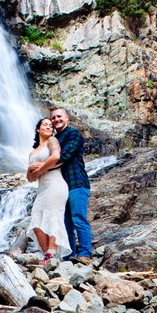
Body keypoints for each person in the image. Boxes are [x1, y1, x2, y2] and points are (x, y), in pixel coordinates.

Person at [51, 105, 92, 261]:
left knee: (78, 218)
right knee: (66, 223)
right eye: (53, 117)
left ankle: (84, 254)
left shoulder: (74, 134)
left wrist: (42, 167)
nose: (56, 119)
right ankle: (69, 255)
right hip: (61, 186)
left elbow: (64, 156)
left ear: (66, 117)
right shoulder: (54, 139)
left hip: (77, 183)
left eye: (59, 116)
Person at [27, 115, 70, 263]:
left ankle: (50, 255)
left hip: (55, 183)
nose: (48, 127)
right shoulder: (33, 152)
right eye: (45, 125)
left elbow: (55, 157)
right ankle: (47, 254)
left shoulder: (52, 140)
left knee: (53, 217)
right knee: (36, 222)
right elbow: (30, 178)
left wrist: (40, 170)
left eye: (50, 126)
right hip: (42, 188)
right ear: (38, 128)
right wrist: (30, 170)